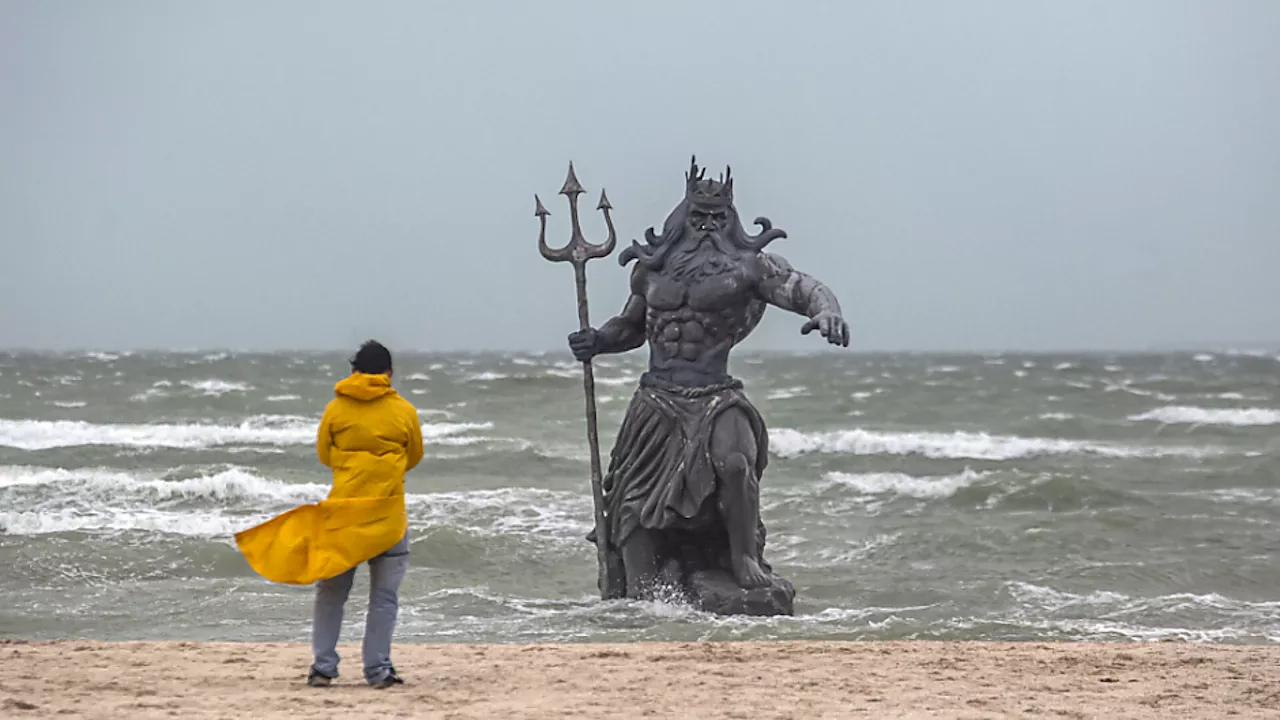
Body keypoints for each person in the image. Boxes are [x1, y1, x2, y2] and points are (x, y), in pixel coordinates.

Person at [234, 340, 423, 689]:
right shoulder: (405, 411)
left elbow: (324, 453)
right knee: (384, 598)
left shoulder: (336, 410)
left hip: (343, 515)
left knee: (332, 592)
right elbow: (414, 456)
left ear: (353, 372)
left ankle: (323, 667)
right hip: (387, 515)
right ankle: (378, 670)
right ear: (389, 374)